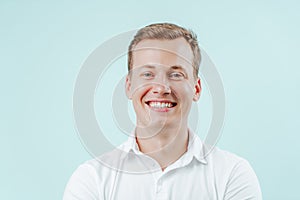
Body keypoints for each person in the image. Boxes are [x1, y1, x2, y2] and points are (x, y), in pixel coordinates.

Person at [63, 23, 262, 200]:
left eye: (176, 74)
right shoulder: (91, 178)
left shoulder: (232, 174)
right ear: (129, 86)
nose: (161, 87)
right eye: (148, 74)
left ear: (197, 88)